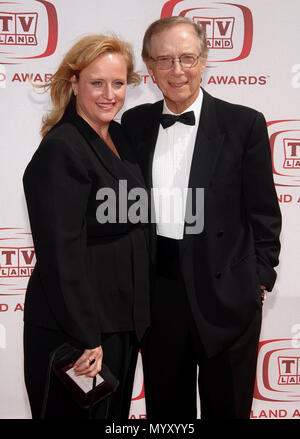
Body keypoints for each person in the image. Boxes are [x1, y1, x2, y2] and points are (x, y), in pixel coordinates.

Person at [121, 16, 281, 419]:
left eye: (187, 58)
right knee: (166, 413)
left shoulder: (244, 123)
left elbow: (264, 212)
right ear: (149, 65)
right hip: (159, 296)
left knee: (226, 408)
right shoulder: (134, 124)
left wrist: (259, 279)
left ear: (204, 60)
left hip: (227, 293)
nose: (177, 71)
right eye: (165, 60)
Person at [23, 34, 150, 419]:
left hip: (120, 325)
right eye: (97, 83)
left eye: (117, 83)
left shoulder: (122, 138)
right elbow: (62, 253)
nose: (109, 94)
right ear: (74, 83)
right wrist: (86, 336)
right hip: (77, 330)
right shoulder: (63, 147)